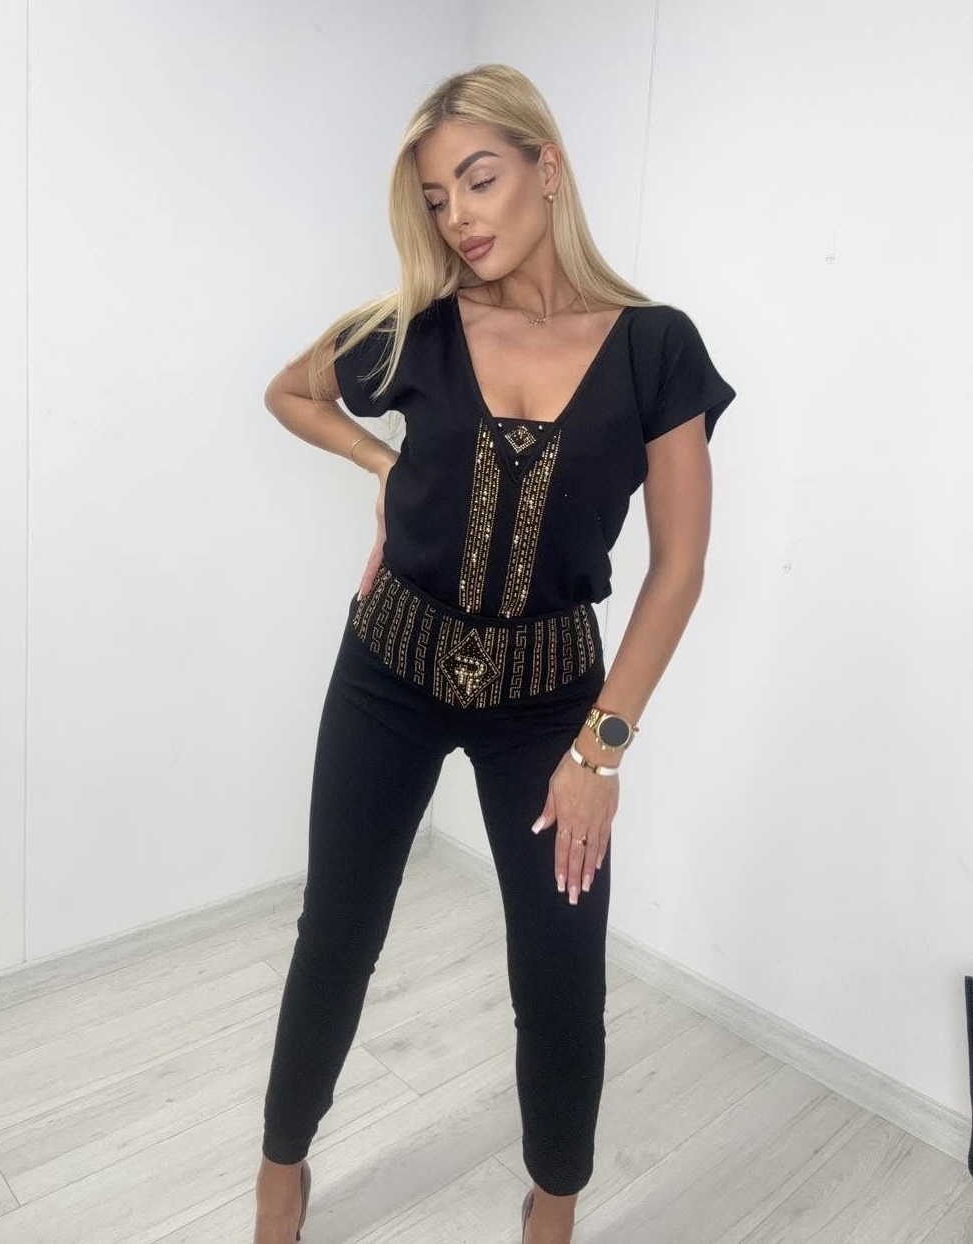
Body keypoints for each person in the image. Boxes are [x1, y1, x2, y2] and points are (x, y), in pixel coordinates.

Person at [254, 62, 735, 1244]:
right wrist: (383, 469)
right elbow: (291, 392)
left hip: (549, 705)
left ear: (544, 166)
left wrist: (600, 748)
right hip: (387, 671)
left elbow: (678, 566)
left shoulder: (654, 347)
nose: (458, 216)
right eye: (435, 198)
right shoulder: (415, 328)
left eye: (477, 179)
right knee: (337, 935)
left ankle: (551, 1206)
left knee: (561, 970)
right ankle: (279, 1175)